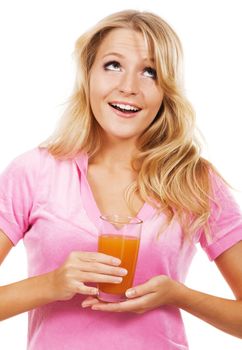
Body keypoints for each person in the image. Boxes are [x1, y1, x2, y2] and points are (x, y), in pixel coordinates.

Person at [0, 9, 242, 350]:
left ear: (166, 90)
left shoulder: (193, 179)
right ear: (88, 74)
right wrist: (52, 284)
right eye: (113, 65)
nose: (129, 87)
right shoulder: (33, 172)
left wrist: (178, 295)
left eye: (150, 72)